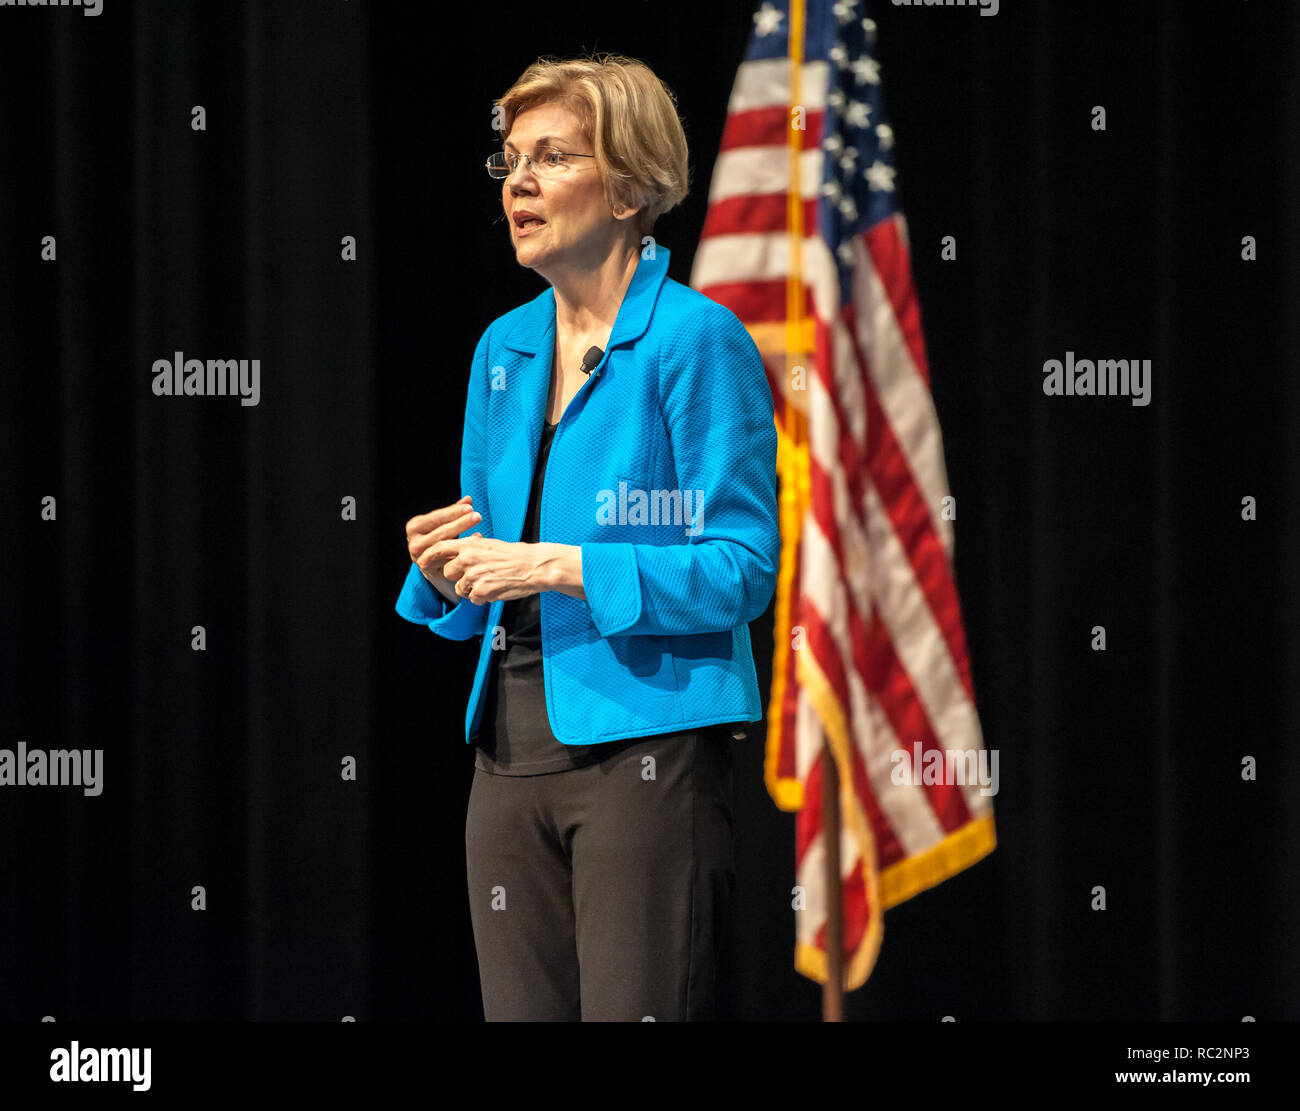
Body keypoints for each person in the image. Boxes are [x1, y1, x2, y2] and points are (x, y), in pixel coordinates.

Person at [397, 52, 779, 1021]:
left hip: (642, 751)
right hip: (506, 751)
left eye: (550, 157)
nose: (517, 182)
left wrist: (565, 565)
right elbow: (492, 556)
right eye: (510, 161)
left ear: (625, 186)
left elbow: (741, 568)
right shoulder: (502, 347)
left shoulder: (696, 341)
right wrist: (444, 573)